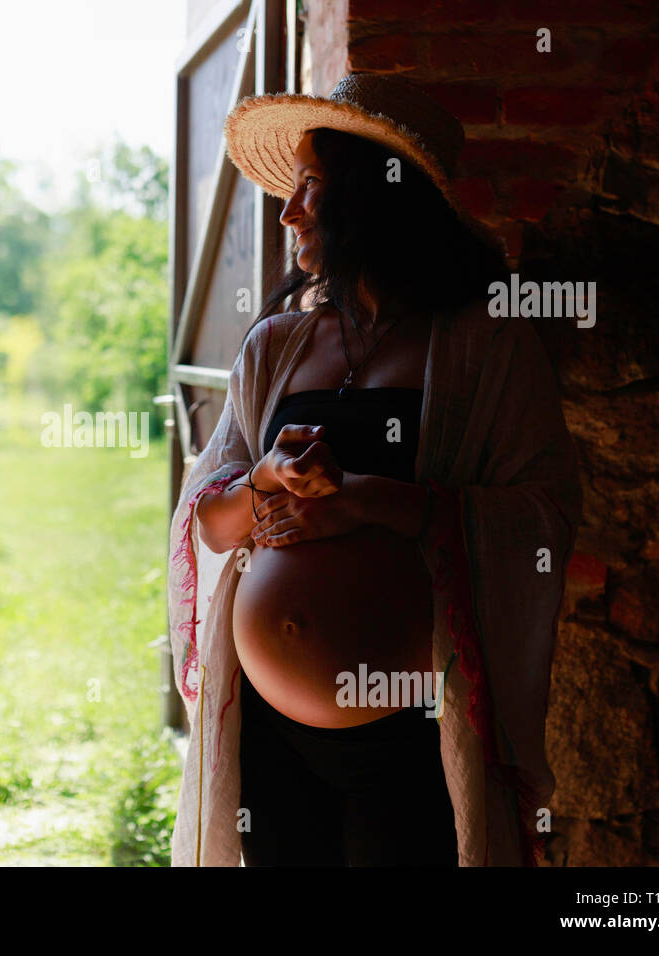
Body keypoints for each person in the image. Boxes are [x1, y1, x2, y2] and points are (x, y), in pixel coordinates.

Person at [167, 74, 583, 866]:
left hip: (408, 731)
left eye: (310, 188)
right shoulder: (276, 346)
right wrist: (267, 484)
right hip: (267, 729)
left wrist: (373, 500)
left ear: (372, 195)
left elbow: (544, 513)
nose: (288, 211)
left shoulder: (484, 347)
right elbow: (206, 523)